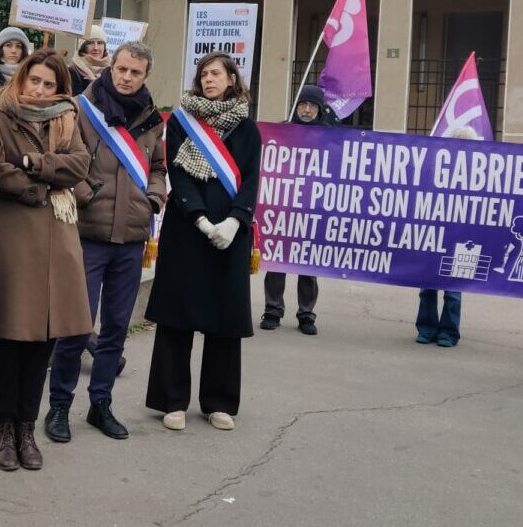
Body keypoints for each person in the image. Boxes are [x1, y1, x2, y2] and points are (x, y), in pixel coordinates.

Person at [46, 42, 166, 443]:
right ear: (110, 67)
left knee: (115, 327)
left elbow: (158, 166)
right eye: (121, 69)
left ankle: (101, 403)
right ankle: (59, 405)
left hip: (131, 238)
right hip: (88, 235)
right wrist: (87, 194)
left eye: (135, 72)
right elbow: (63, 157)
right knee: (76, 327)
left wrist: (153, 199)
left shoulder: (151, 118)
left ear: (146, 76)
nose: (127, 77)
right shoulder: (82, 109)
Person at [145, 51, 260, 432]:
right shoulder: (181, 120)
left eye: (215, 74)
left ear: (231, 79)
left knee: (224, 318)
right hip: (188, 229)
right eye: (203, 74)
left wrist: (234, 220)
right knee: (178, 316)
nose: (208, 79)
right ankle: (172, 401)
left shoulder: (247, 127)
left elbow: (251, 179)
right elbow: (179, 172)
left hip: (230, 234)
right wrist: (199, 217)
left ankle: (219, 402)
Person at [0, 49, 91, 471]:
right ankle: (3, 429)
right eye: (36, 81)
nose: (41, 89)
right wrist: (38, 187)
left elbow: (80, 165)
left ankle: (27, 427)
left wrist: (34, 163)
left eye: (50, 84)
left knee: (45, 339)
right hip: (15, 232)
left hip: (59, 237)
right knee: (9, 337)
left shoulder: (68, 116)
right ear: (22, 79)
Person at [259, 84, 334, 336]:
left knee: (307, 265)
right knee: (277, 260)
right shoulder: (281, 131)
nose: (307, 109)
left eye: (312, 105)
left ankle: (306, 314)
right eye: (303, 104)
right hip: (283, 207)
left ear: (319, 109)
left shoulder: (331, 138)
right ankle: (272, 310)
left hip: (313, 210)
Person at [415, 126, 479, 348]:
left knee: (453, 290)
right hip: (433, 236)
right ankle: (426, 328)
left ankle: (449, 332)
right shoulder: (433, 170)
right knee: (427, 287)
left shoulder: (478, 177)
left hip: (462, 239)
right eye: (456, 143)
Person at [68, 24, 109, 96]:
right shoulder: (72, 71)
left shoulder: (113, 69)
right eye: (90, 43)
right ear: (82, 46)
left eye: (99, 43)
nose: (96, 48)